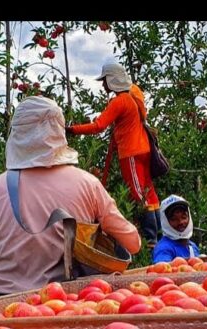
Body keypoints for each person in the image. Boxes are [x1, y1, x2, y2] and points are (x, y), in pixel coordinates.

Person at [0, 96, 141, 298]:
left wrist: (10, 281)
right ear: (59, 131)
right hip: (62, 302)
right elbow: (133, 244)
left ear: (16, 133)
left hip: (0, 301)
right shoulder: (87, 183)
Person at [66, 62, 161, 243]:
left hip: (131, 152)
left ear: (112, 80)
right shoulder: (134, 94)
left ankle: (150, 239)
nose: (103, 85)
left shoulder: (120, 101)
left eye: (105, 81)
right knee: (149, 191)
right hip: (144, 149)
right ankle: (159, 234)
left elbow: (98, 126)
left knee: (138, 193)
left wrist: (72, 130)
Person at [152, 195, 200, 264]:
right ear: (165, 221)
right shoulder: (164, 248)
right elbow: (162, 268)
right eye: (174, 219)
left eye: (184, 217)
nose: (180, 222)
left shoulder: (193, 246)